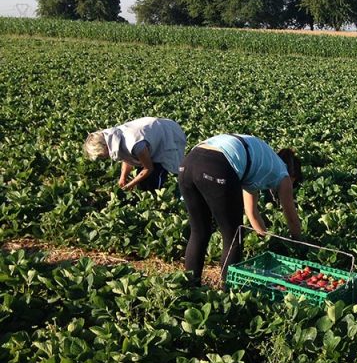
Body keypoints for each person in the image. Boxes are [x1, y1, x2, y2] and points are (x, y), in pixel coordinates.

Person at [178, 133, 302, 284]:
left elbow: (251, 212)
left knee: (199, 231)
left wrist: (265, 238)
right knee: (233, 236)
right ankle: (227, 291)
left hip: (189, 162)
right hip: (217, 164)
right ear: (292, 174)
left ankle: (190, 288)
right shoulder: (283, 174)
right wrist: (299, 244)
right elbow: (290, 216)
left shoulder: (261, 162)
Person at [83, 117, 187, 191]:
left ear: (104, 147)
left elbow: (148, 168)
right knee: (142, 182)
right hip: (152, 136)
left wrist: (130, 185)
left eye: (101, 155)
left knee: (155, 176)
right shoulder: (115, 138)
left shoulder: (135, 144)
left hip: (167, 135)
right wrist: (123, 178)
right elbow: (127, 157)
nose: (103, 158)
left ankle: (159, 201)